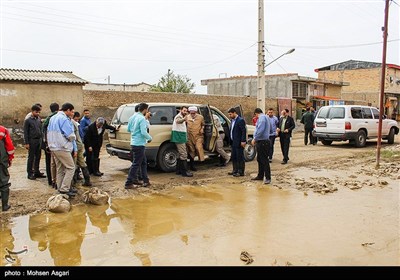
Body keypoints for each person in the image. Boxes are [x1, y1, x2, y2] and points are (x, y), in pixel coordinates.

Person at [47, 103, 76, 198]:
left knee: (60, 168)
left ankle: (60, 188)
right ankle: (64, 189)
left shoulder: (53, 118)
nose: (72, 113)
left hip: (53, 147)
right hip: (62, 147)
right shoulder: (63, 119)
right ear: (67, 110)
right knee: (71, 167)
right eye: (71, 111)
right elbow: (70, 135)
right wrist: (72, 139)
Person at [125, 103, 152, 189]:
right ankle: (128, 182)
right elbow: (144, 132)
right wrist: (150, 138)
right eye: (147, 109)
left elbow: (128, 129)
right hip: (139, 144)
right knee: (136, 164)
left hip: (134, 143)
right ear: (144, 109)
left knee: (143, 162)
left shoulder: (132, 117)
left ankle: (145, 180)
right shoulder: (141, 118)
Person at [24, 104, 45, 180]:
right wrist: (26, 143)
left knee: (38, 157)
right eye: (36, 112)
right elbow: (26, 132)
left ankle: (37, 172)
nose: (38, 114)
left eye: (39, 112)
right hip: (32, 141)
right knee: (31, 158)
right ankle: (30, 173)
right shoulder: (28, 120)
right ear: (32, 111)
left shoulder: (38, 119)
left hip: (38, 140)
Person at [251, 108, 272, 184]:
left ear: (256, 113)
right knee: (260, 159)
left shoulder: (262, 118)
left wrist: (255, 138)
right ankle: (260, 175)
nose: (256, 117)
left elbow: (260, 129)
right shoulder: (266, 117)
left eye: (255, 115)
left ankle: (267, 177)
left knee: (264, 160)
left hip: (262, 142)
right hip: (263, 141)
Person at [171, 106, 193, 177]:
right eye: (184, 110)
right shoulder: (178, 116)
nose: (185, 112)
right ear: (180, 110)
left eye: (186, 111)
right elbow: (178, 121)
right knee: (183, 154)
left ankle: (179, 170)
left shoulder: (180, 116)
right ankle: (184, 172)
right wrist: (184, 119)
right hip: (179, 137)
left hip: (180, 137)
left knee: (180, 154)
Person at [71, 112, 92, 187]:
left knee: (73, 164)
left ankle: (73, 183)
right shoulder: (78, 124)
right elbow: (81, 134)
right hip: (80, 144)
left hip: (75, 146)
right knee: (82, 162)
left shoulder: (72, 123)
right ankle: (87, 180)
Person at [42, 102, 59, 187]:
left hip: (47, 143)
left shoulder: (47, 118)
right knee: (55, 163)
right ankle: (55, 181)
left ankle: (51, 181)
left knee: (49, 163)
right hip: (53, 144)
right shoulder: (56, 117)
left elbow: (44, 131)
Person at [227, 107, 246, 177]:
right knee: (234, 157)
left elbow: (243, 131)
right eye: (229, 114)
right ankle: (235, 170)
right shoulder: (232, 120)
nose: (230, 116)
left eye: (230, 114)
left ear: (235, 113)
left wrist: (243, 141)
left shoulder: (240, 120)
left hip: (239, 142)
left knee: (240, 157)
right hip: (233, 142)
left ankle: (241, 172)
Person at [185, 106, 205, 171]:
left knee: (198, 147)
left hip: (198, 135)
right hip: (189, 136)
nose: (192, 114)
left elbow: (203, 124)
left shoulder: (200, 117)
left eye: (194, 113)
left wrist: (202, 129)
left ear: (196, 112)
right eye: (191, 113)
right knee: (191, 150)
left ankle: (201, 159)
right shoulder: (187, 117)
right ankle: (192, 165)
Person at [0, 125, 14, 211]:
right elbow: (9, 145)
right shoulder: (3, 130)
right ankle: (5, 205)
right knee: (3, 181)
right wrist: (10, 157)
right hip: (1, 160)